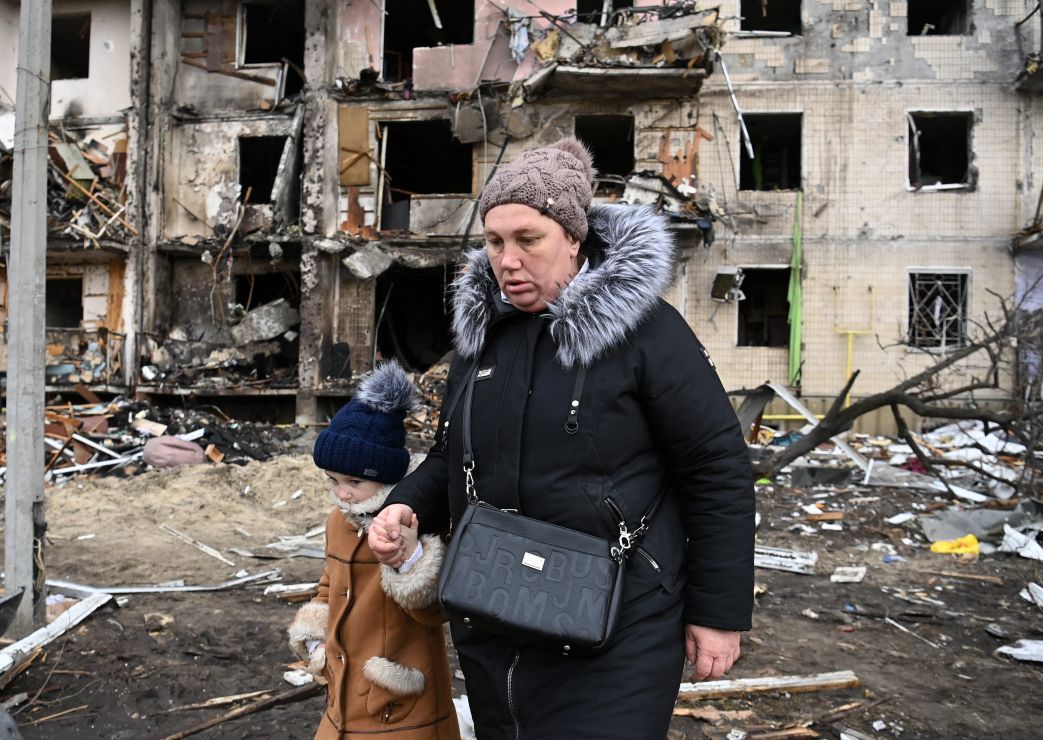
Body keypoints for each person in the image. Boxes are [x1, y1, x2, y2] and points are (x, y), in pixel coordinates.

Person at [370, 138, 756, 739]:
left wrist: (718, 613)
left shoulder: (648, 333)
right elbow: (453, 454)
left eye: (529, 240)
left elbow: (717, 469)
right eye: (495, 242)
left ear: (573, 239)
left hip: (620, 622)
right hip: (495, 609)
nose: (508, 260)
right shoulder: (483, 339)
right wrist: (407, 505)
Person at [288, 361, 460, 740]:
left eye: (354, 481)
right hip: (342, 693)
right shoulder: (339, 521)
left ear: (388, 476)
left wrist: (410, 562)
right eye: (333, 480)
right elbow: (328, 584)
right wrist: (318, 639)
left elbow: (436, 611)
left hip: (398, 701)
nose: (342, 492)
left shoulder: (414, 520)